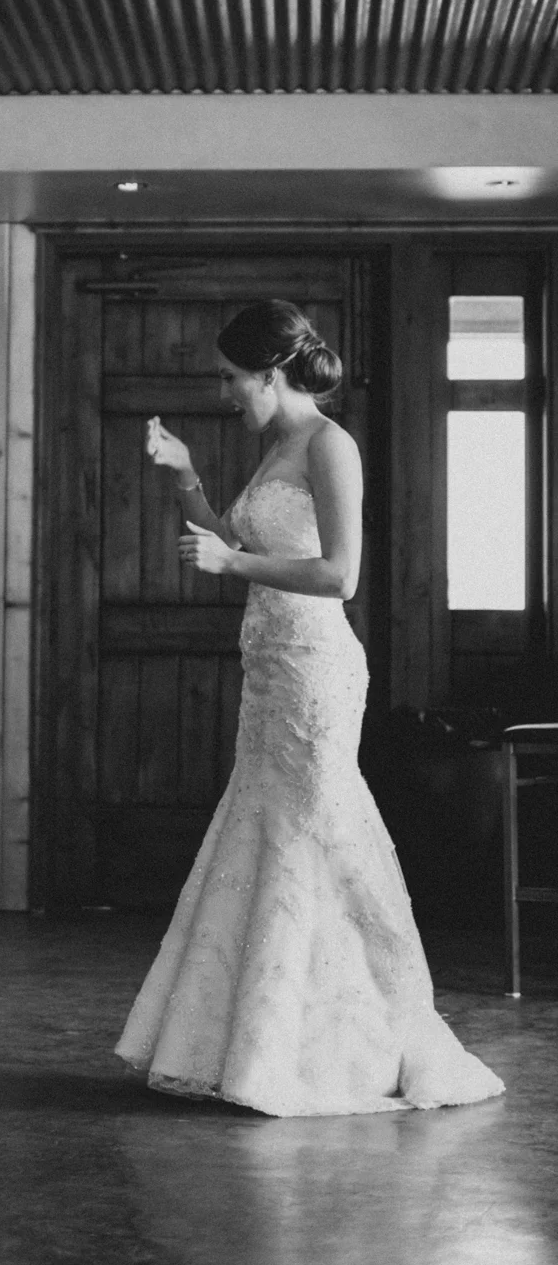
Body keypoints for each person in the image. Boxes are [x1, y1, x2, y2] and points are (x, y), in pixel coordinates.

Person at [116, 299, 504, 1117]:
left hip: (315, 673)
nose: (226, 393)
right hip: (269, 673)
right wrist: (185, 474)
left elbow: (339, 575)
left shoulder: (331, 445)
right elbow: (234, 545)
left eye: (232, 378)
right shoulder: (276, 448)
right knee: (264, 832)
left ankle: (346, 1045)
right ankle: (259, 1043)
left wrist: (230, 563)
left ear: (270, 373)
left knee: (313, 839)